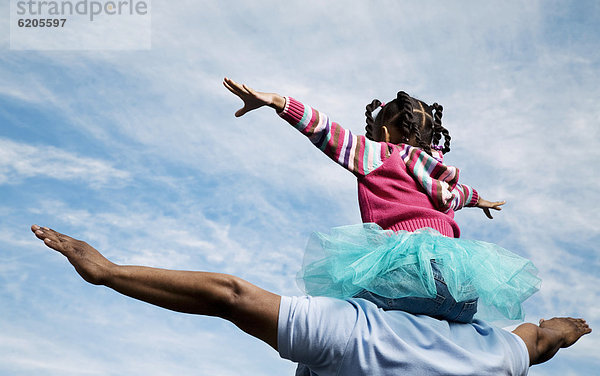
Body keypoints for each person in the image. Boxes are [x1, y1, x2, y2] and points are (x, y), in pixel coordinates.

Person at [31, 225, 590, 376]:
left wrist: (107, 272)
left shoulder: (358, 330)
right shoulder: (491, 352)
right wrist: (569, 328)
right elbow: (539, 340)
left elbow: (228, 295)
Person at [223, 78, 540, 323]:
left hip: (408, 274)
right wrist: (482, 201)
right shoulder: (440, 175)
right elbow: (464, 195)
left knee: (332, 321)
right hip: (461, 287)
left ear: (385, 134)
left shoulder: (382, 155)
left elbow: (327, 131)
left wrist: (278, 102)